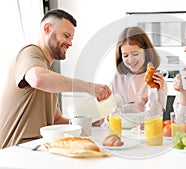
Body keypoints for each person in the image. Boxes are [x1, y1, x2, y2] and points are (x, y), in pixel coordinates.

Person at [0, 9, 112, 149]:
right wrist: (89, 87)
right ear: (47, 29)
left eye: (71, 38)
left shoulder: (48, 74)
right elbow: (37, 79)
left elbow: (56, 120)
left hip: (35, 149)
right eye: (66, 36)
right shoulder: (29, 52)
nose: (70, 43)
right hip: (14, 152)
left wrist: (82, 122)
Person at [110, 26, 167, 114]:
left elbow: (155, 114)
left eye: (135, 54)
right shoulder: (117, 78)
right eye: (125, 56)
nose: (131, 60)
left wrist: (157, 91)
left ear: (146, 52)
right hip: (122, 127)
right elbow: (109, 111)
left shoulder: (156, 80)